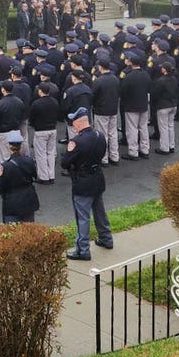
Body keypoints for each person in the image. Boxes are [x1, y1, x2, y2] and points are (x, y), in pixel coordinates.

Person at [62, 108, 112, 260]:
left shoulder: (76, 141)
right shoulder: (99, 135)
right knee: (99, 212)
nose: (72, 125)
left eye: (73, 123)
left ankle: (82, 249)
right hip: (97, 178)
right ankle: (106, 238)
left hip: (82, 182)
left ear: (78, 122)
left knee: (82, 217)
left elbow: (65, 162)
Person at [0, 131, 40, 223]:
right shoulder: (29, 161)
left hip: (12, 202)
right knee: (29, 230)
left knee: (12, 231)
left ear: (9, 146)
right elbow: (34, 175)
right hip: (28, 198)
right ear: (20, 146)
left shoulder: (5, 166)